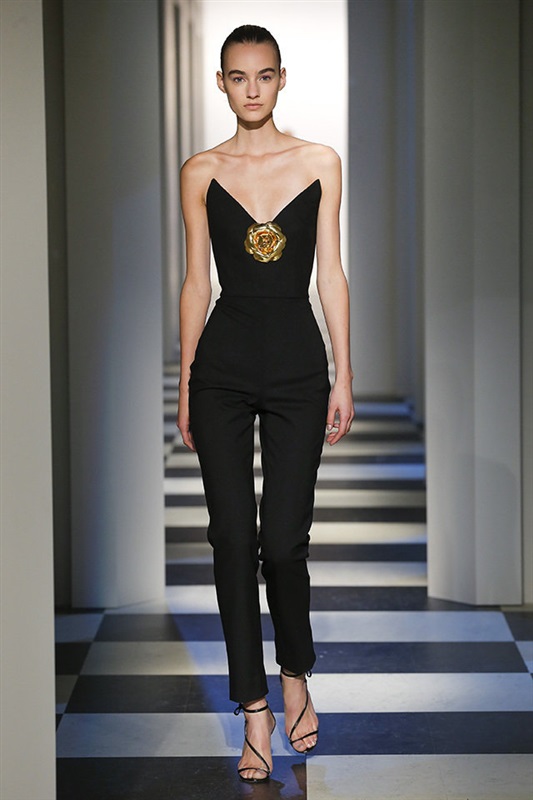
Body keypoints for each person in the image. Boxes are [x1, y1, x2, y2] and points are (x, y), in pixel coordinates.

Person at [177, 24, 354, 784]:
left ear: (281, 79)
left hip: (296, 370)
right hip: (220, 368)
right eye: (238, 77)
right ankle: (253, 708)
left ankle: (295, 670)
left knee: (283, 541)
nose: (252, 89)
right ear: (221, 83)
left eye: (264, 75)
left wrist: (344, 373)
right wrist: (186, 380)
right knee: (230, 538)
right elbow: (196, 282)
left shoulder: (319, 162)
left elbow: (330, 274)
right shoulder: (200, 171)